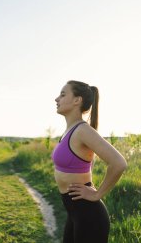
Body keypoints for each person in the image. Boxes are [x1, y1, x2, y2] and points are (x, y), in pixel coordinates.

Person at [52, 80, 127, 243]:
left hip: (89, 216)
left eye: (63, 95)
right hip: (74, 213)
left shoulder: (83, 130)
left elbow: (119, 163)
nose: (56, 99)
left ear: (77, 100)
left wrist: (97, 194)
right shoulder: (69, 131)